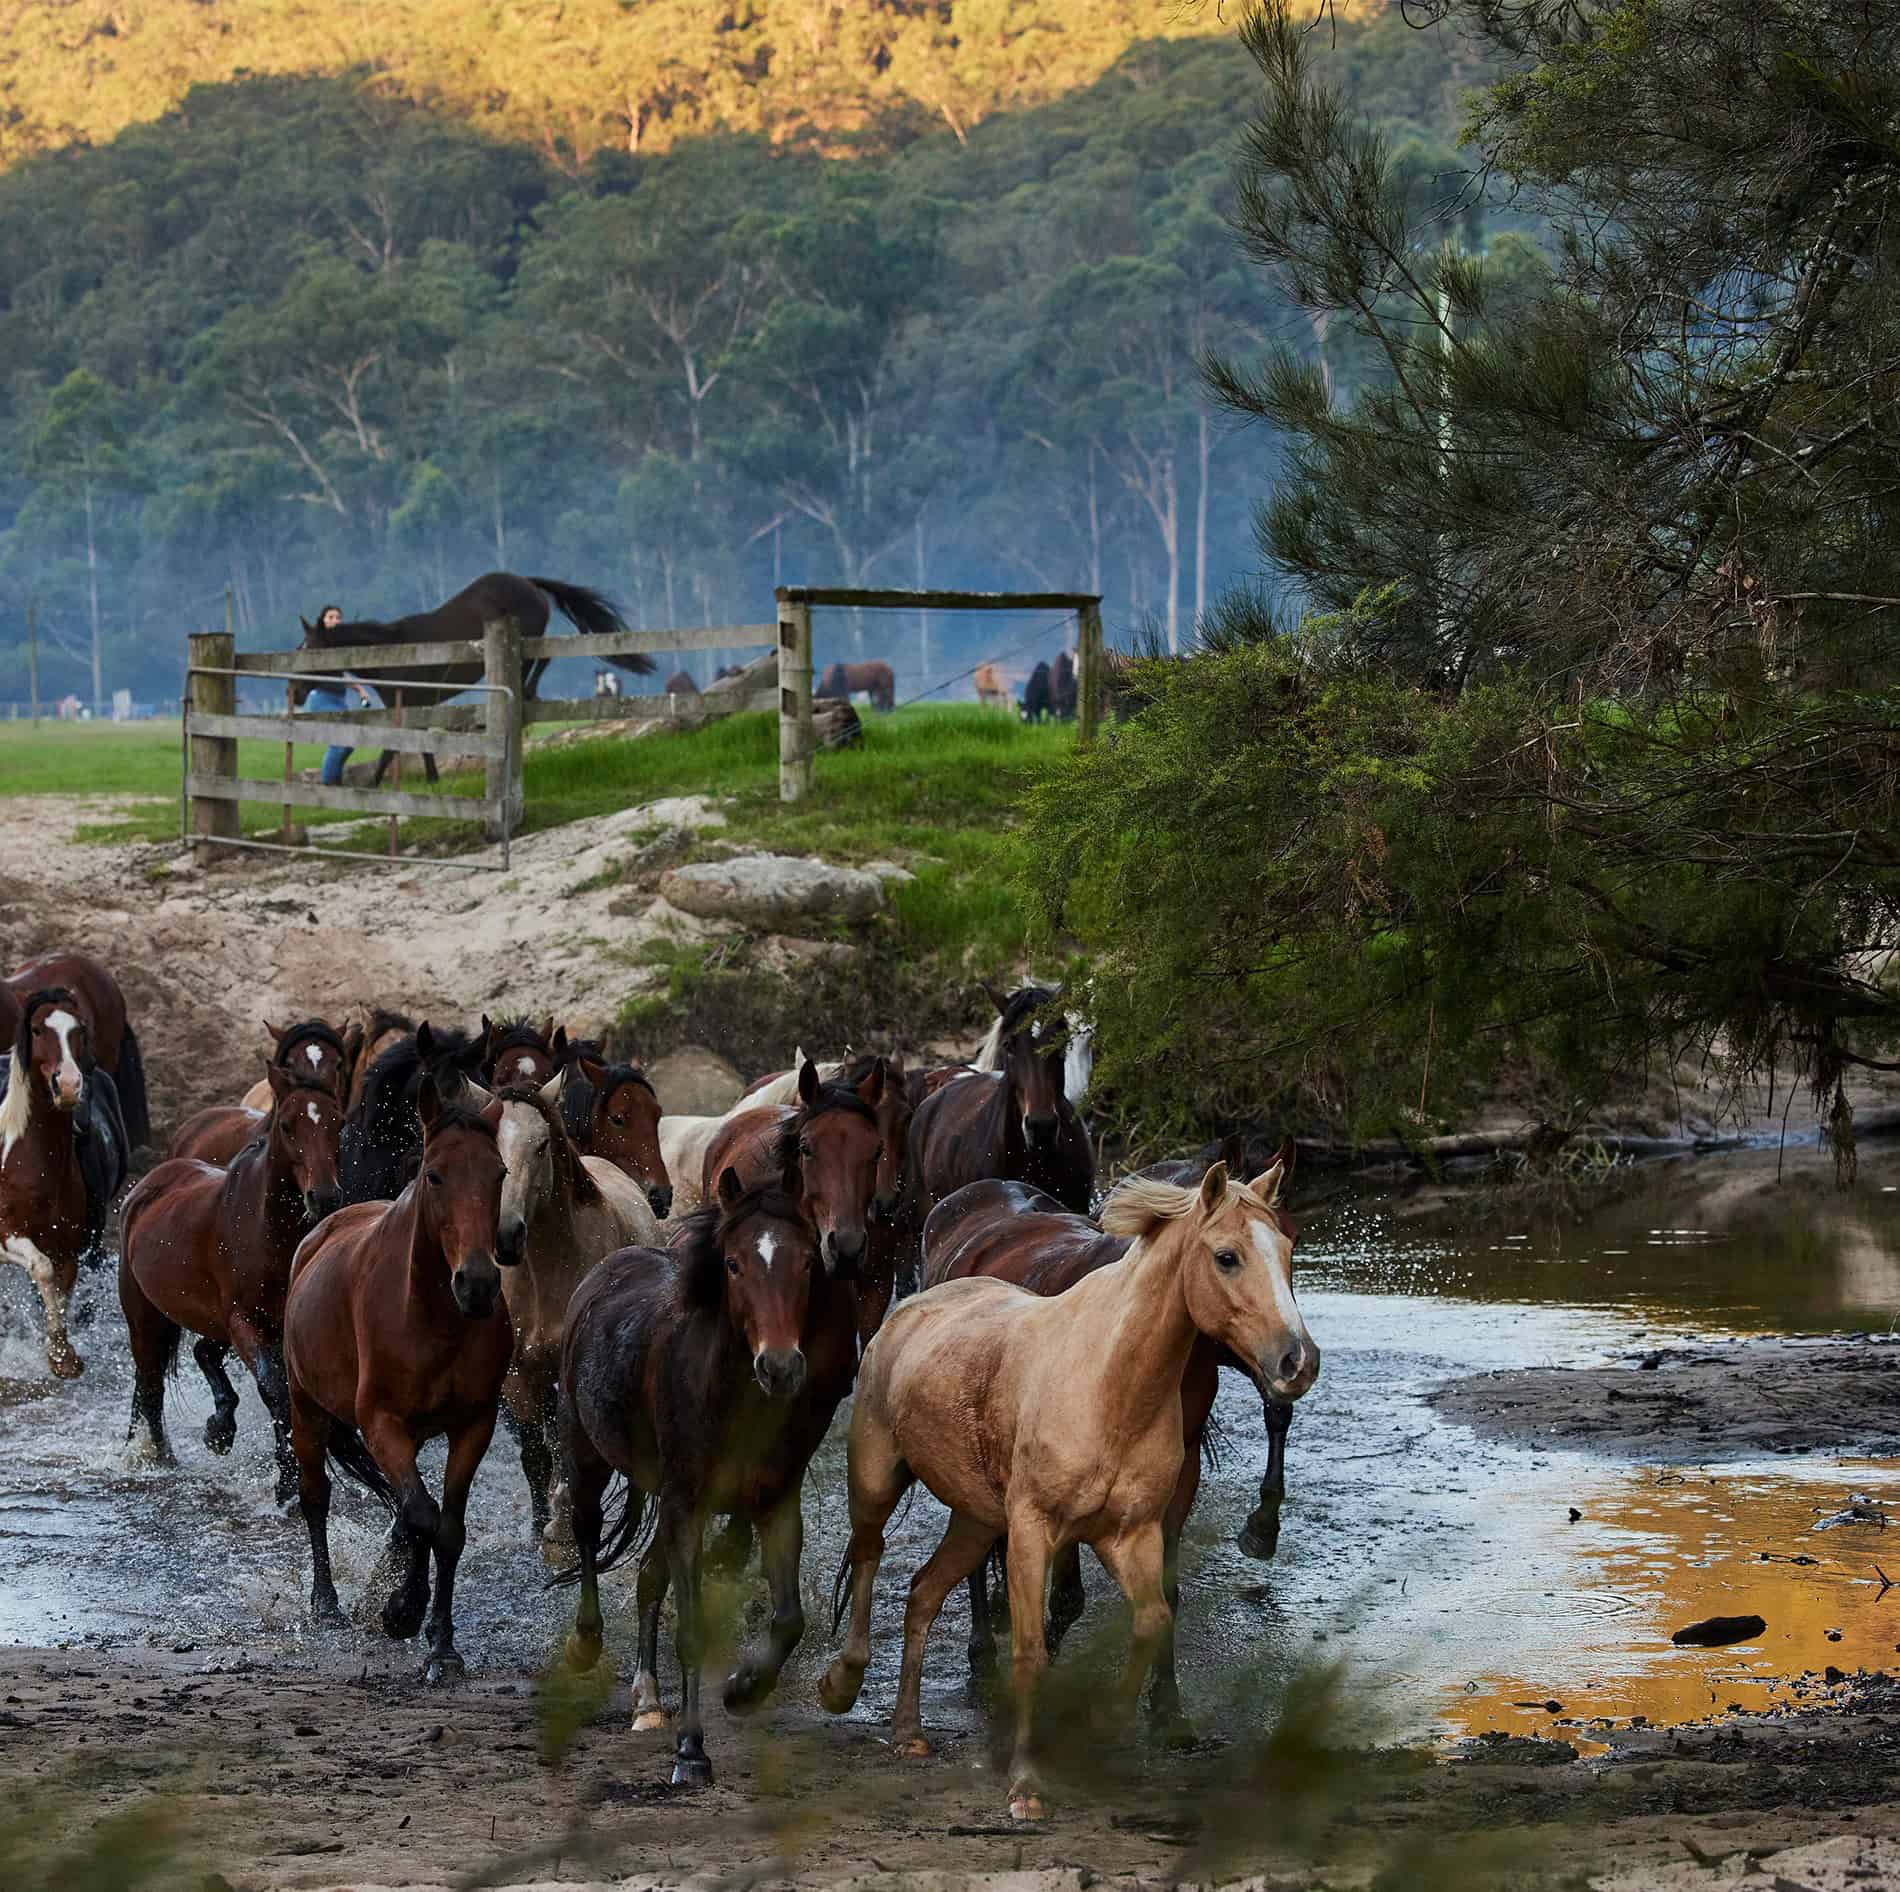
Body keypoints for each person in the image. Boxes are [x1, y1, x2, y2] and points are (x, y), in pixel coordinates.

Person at [297, 604, 373, 786]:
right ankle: (329, 785)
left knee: (350, 741)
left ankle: (334, 780)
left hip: (339, 699)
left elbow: (340, 675)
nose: (335, 620)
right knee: (339, 742)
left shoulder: (337, 646)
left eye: (338, 617)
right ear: (322, 620)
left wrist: (361, 690)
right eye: (330, 617)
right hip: (322, 697)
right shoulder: (315, 641)